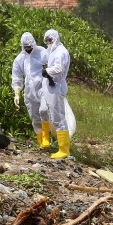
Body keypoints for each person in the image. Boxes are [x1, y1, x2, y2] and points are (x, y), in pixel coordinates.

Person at [11, 32, 51, 148]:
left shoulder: (42, 52)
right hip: (29, 91)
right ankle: (42, 142)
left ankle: (46, 137)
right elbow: (17, 76)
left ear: (33, 43)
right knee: (35, 117)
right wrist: (17, 93)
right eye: (26, 47)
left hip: (43, 87)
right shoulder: (20, 59)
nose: (28, 49)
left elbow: (50, 67)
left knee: (44, 110)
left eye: (29, 46)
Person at [41, 29, 72, 160]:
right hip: (50, 87)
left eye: (50, 40)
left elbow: (59, 69)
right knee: (45, 112)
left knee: (59, 117)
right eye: (46, 40)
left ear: (55, 39)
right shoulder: (52, 51)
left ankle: (64, 150)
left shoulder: (61, 52)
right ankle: (49, 142)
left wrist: (47, 70)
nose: (48, 43)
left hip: (57, 87)